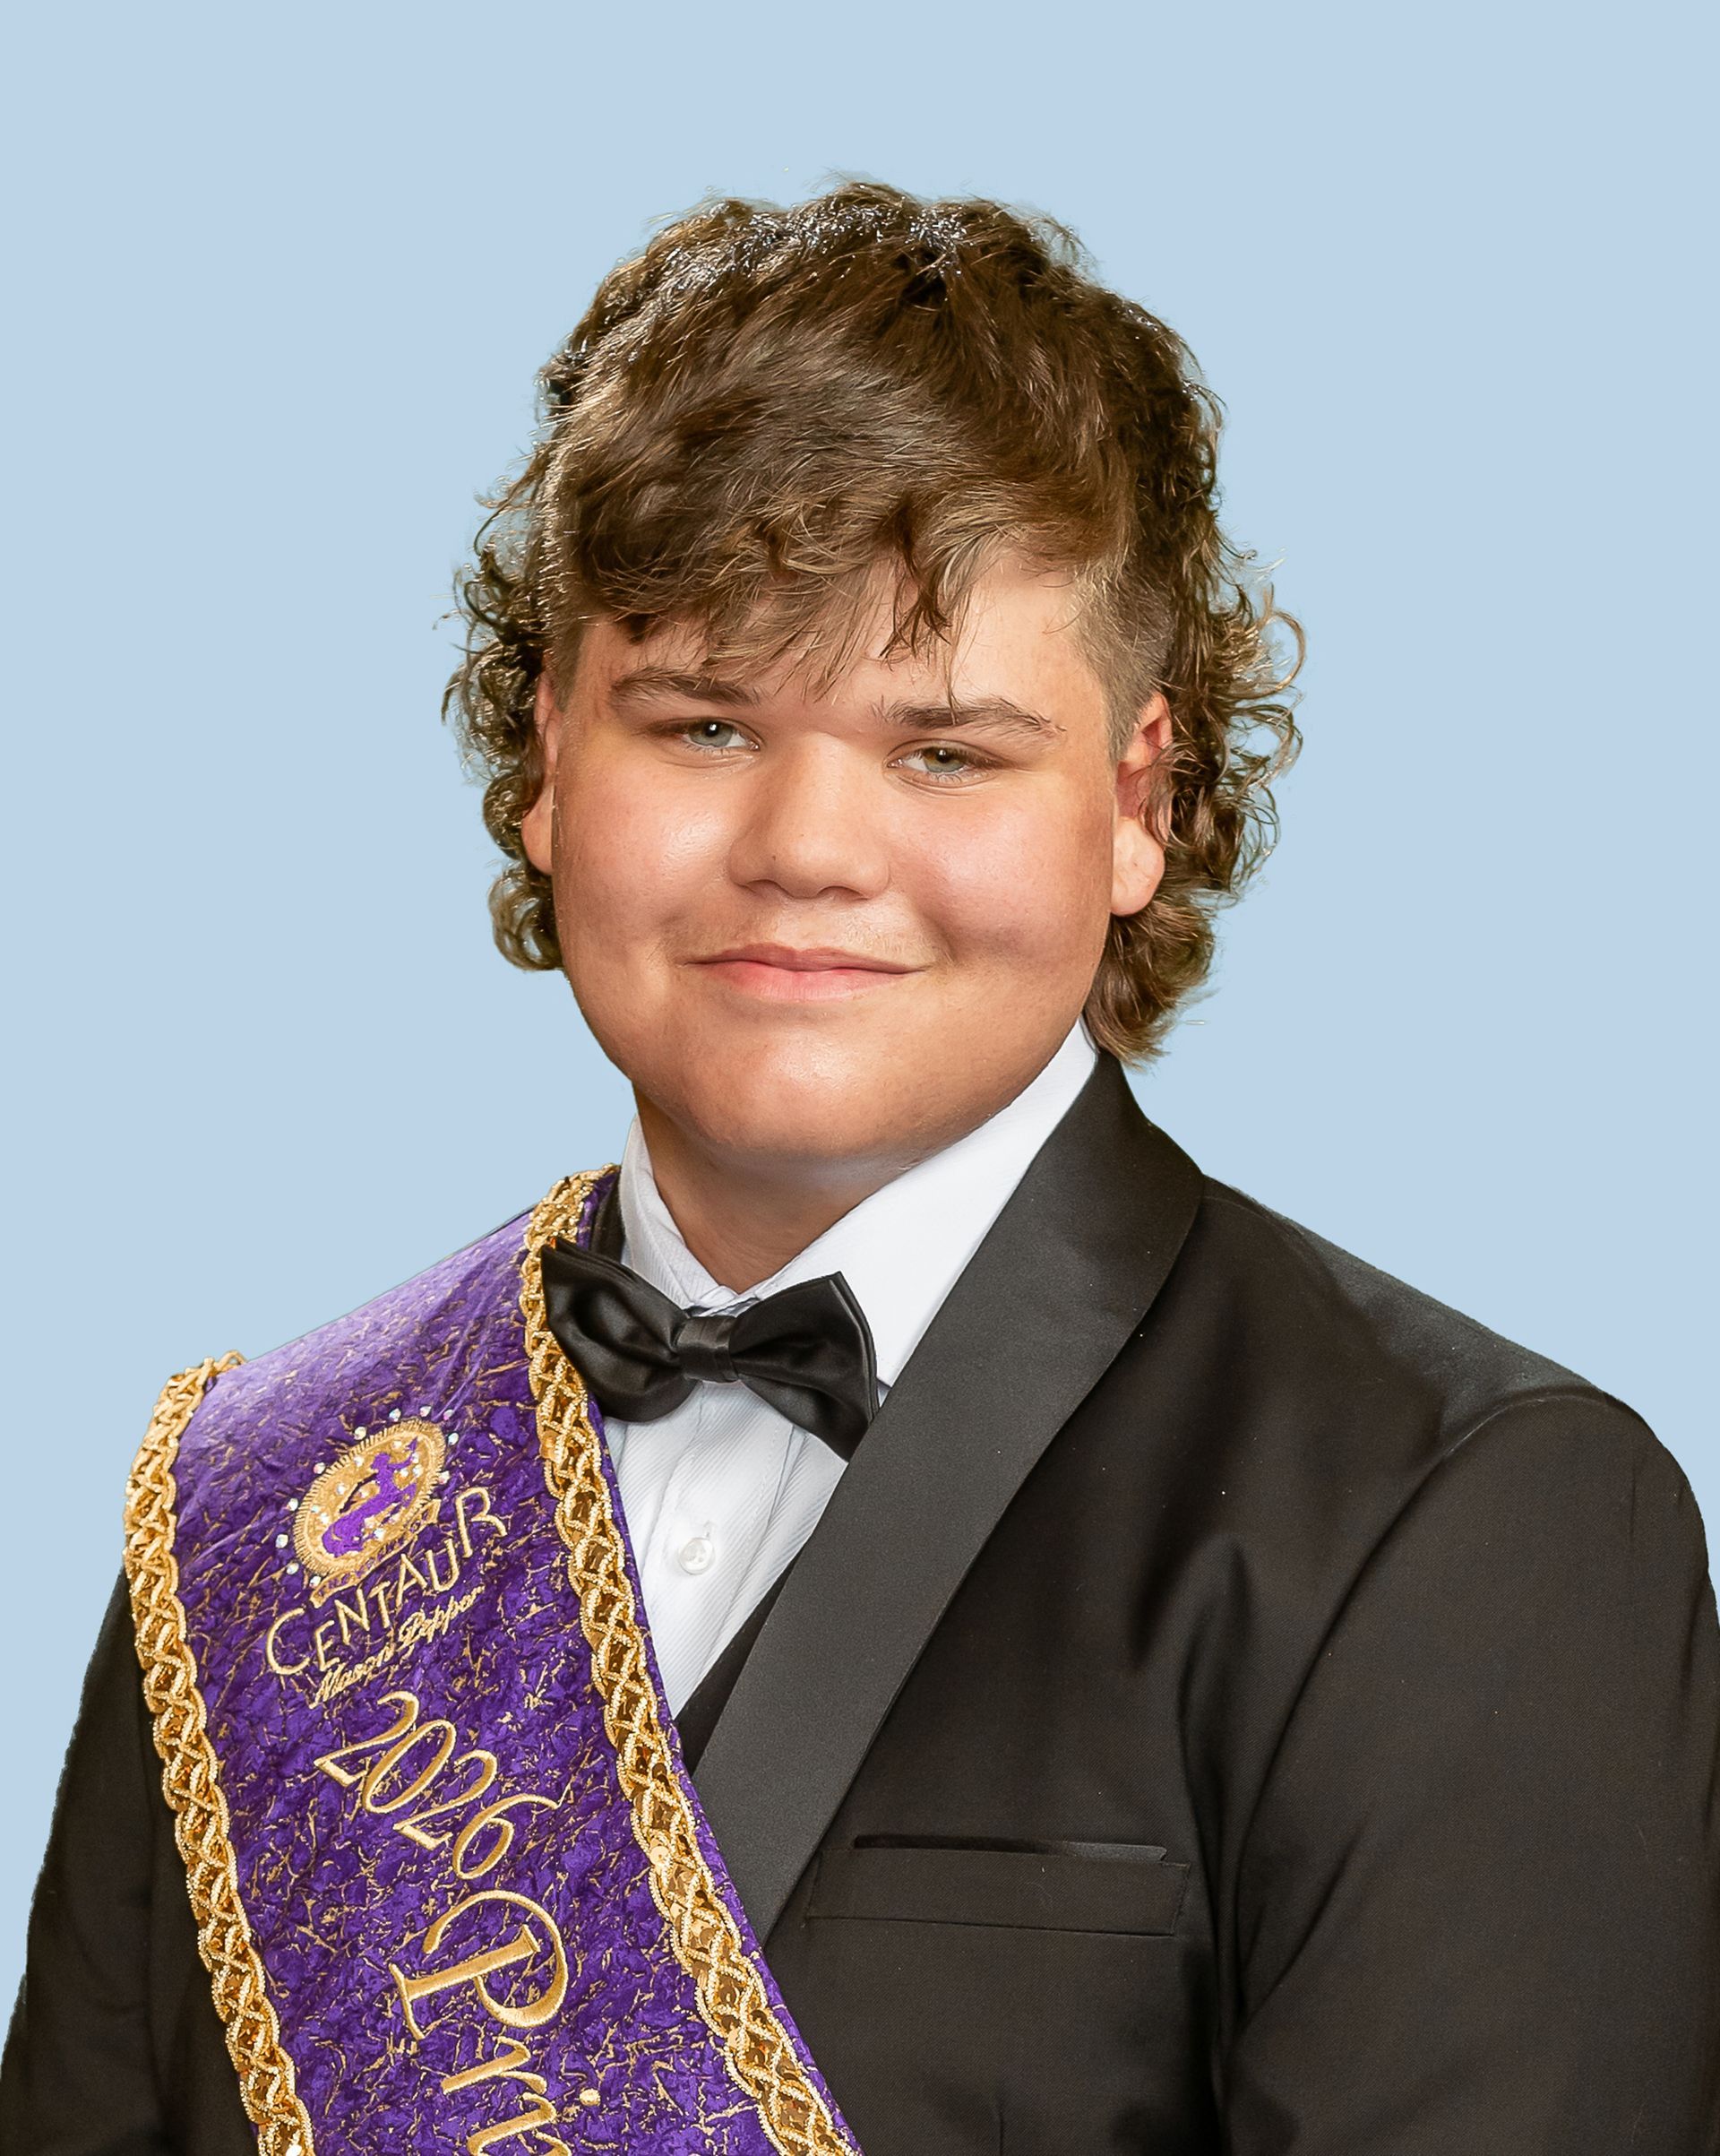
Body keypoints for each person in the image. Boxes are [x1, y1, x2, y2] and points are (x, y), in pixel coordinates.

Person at [4, 182, 1716, 2156]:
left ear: (1139, 803)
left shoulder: (1463, 1521)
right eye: (706, 722)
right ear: (551, 758)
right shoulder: (265, 1511)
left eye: (945, 751)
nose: (807, 847)